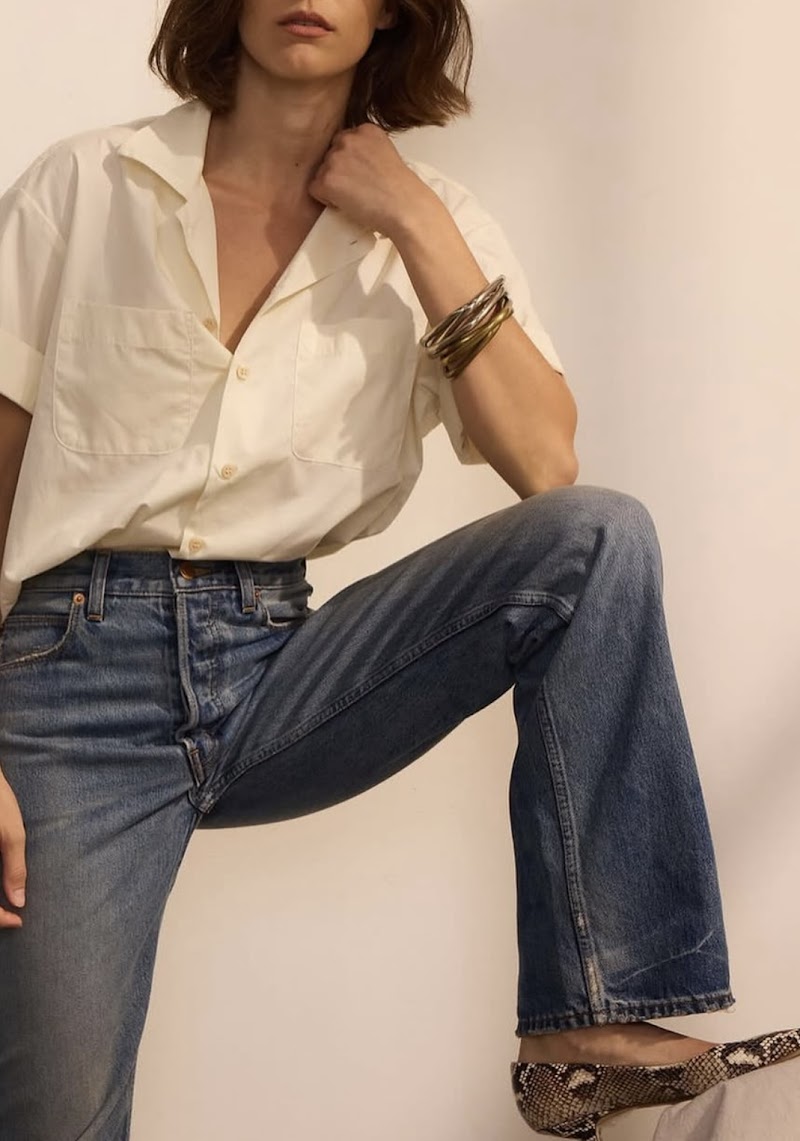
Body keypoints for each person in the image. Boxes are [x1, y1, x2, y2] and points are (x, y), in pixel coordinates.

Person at [0, 2, 797, 1138]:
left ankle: (587, 1028)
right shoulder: (86, 187)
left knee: (592, 538)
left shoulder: (437, 227)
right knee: (54, 1117)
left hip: (278, 670)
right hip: (69, 684)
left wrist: (414, 219)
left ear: (390, 13)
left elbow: (546, 464)